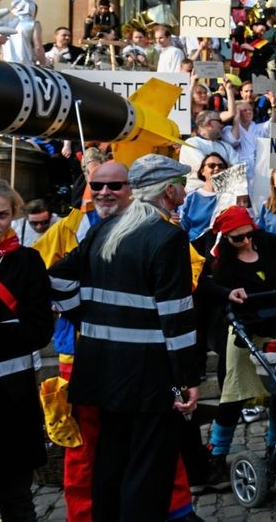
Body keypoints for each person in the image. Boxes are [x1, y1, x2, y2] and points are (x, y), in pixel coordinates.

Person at [50, 155, 199, 520]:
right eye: (182, 183)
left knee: (110, 464)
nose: (185, 190)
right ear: (169, 190)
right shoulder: (166, 236)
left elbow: (56, 277)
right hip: (148, 376)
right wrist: (187, 381)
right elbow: (176, 318)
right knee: (148, 470)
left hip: (99, 369)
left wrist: (86, 315)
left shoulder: (106, 229)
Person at [200, 205, 276, 483]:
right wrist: (228, 293)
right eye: (238, 238)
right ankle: (216, 454)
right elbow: (205, 287)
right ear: (226, 238)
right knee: (234, 395)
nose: (246, 241)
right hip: (244, 330)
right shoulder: (220, 260)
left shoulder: (269, 243)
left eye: (249, 235)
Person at [0, 177, 55, 522]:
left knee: (16, 499)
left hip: (9, 400)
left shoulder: (27, 262)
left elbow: (40, 329)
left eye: (1, 215)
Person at [180, 110, 238, 190]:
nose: (222, 125)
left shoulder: (225, 146)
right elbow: (204, 168)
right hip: (198, 194)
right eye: (219, 121)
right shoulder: (191, 143)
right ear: (209, 123)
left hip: (223, 194)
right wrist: (228, 166)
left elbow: (238, 169)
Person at [178, 152, 228, 245]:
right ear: (202, 171)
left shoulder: (231, 196)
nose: (217, 168)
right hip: (196, 248)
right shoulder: (190, 198)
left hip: (224, 247)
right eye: (211, 165)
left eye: (221, 166)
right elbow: (182, 228)